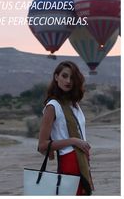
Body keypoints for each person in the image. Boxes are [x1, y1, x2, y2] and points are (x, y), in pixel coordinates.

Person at [38, 61, 94, 195]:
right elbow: (42, 145)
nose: (68, 81)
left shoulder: (74, 105)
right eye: (64, 76)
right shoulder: (52, 106)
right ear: (56, 77)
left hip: (83, 160)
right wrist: (73, 141)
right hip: (69, 160)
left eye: (72, 77)